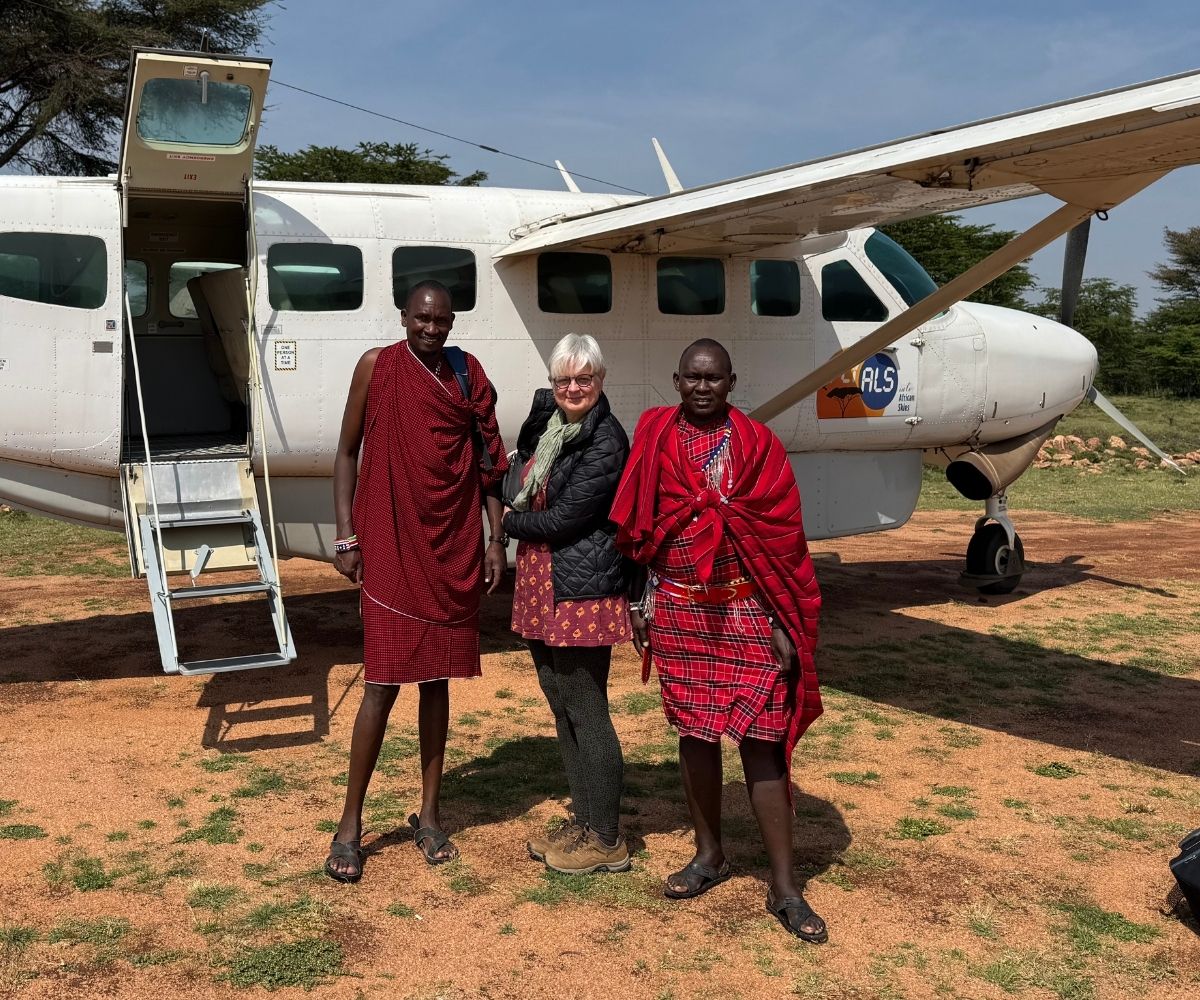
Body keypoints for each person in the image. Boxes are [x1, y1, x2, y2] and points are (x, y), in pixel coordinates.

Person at [610, 338, 827, 943]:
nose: (703, 388)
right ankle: (710, 855)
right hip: (678, 611)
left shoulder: (759, 447)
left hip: (747, 609)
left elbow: (784, 542)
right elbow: (635, 526)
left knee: (761, 742)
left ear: (732, 382)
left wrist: (784, 622)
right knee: (696, 736)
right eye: (692, 379)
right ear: (676, 381)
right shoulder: (655, 438)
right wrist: (636, 602)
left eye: (715, 379)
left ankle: (785, 887)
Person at [324, 280, 509, 882]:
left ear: (452, 322)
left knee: (437, 685)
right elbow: (346, 451)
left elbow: (489, 463)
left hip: (453, 547)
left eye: (442, 319)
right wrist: (347, 535)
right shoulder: (377, 368)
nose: (432, 327)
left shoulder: (467, 373)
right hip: (391, 542)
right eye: (422, 317)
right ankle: (349, 825)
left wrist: (495, 539)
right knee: (380, 683)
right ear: (403, 315)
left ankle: (430, 816)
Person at [502, 334, 632, 875]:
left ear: (601, 380)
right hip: (545, 577)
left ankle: (606, 837)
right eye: (563, 380)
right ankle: (582, 816)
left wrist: (504, 524)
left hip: (581, 587)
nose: (573, 388)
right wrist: (540, 411)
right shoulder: (553, 430)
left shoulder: (605, 440)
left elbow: (564, 520)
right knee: (559, 698)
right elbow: (516, 469)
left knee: (585, 703)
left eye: (584, 378)